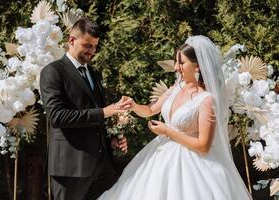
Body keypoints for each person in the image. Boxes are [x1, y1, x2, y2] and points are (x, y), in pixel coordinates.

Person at [98, 35, 252, 200]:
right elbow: (150, 110)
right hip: (160, 157)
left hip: (193, 165)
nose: (176, 67)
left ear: (198, 66)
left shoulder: (207, 100)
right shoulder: (177, 87)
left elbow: (203, 146)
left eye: (182, 62)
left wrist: (167, 131)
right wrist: (134, 105)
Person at [40, 17, 128, 200]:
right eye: (88, 45)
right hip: (71, 168)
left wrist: (111, 140)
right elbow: (57, 117)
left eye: (95, 46)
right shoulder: (53, 72)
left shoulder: (93, 73)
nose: (92, 51)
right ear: (71, 40)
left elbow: (94, 114)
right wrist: (104, 112)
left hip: (102, 166)